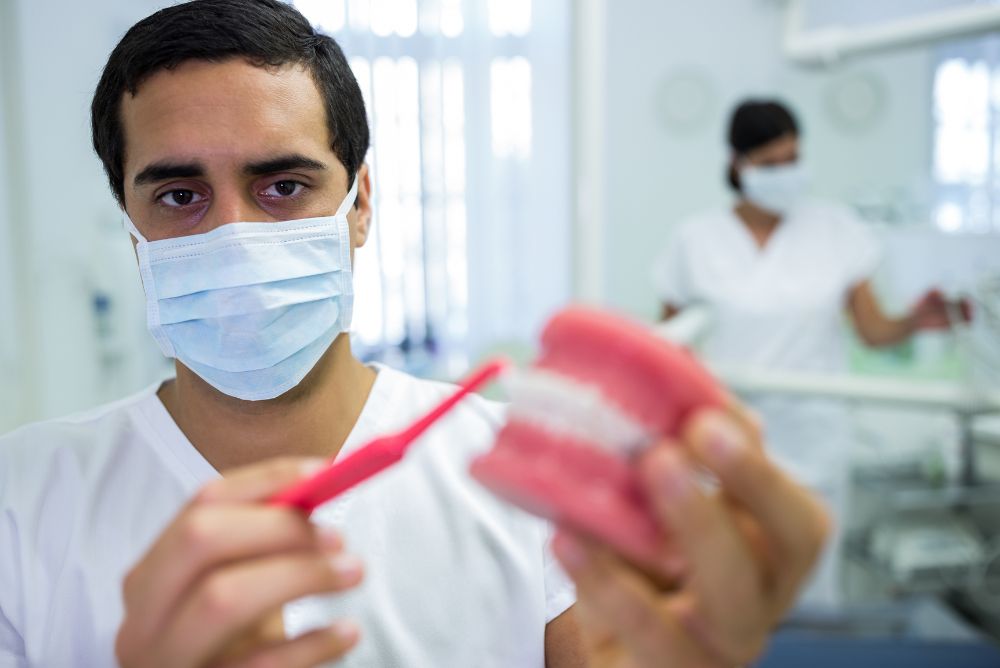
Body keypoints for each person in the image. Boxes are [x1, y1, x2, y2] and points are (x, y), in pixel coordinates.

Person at [0, 5, 827, 666]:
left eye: (283, 185)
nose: (237, 233)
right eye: (180, 196)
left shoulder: (523, 482)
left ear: (360, 205)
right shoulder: (21, 501)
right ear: (131, 227)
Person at [652, 99, 963, 610]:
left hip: (815, 442)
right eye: (770, 165)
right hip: (730, 445)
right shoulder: (696, 240)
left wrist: (914, 320)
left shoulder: (834, 229)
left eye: (793, 160)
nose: (785, 175)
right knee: (733, 599)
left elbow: (872, 330)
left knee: (811, 598)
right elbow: (669, 349)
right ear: (737, 163)